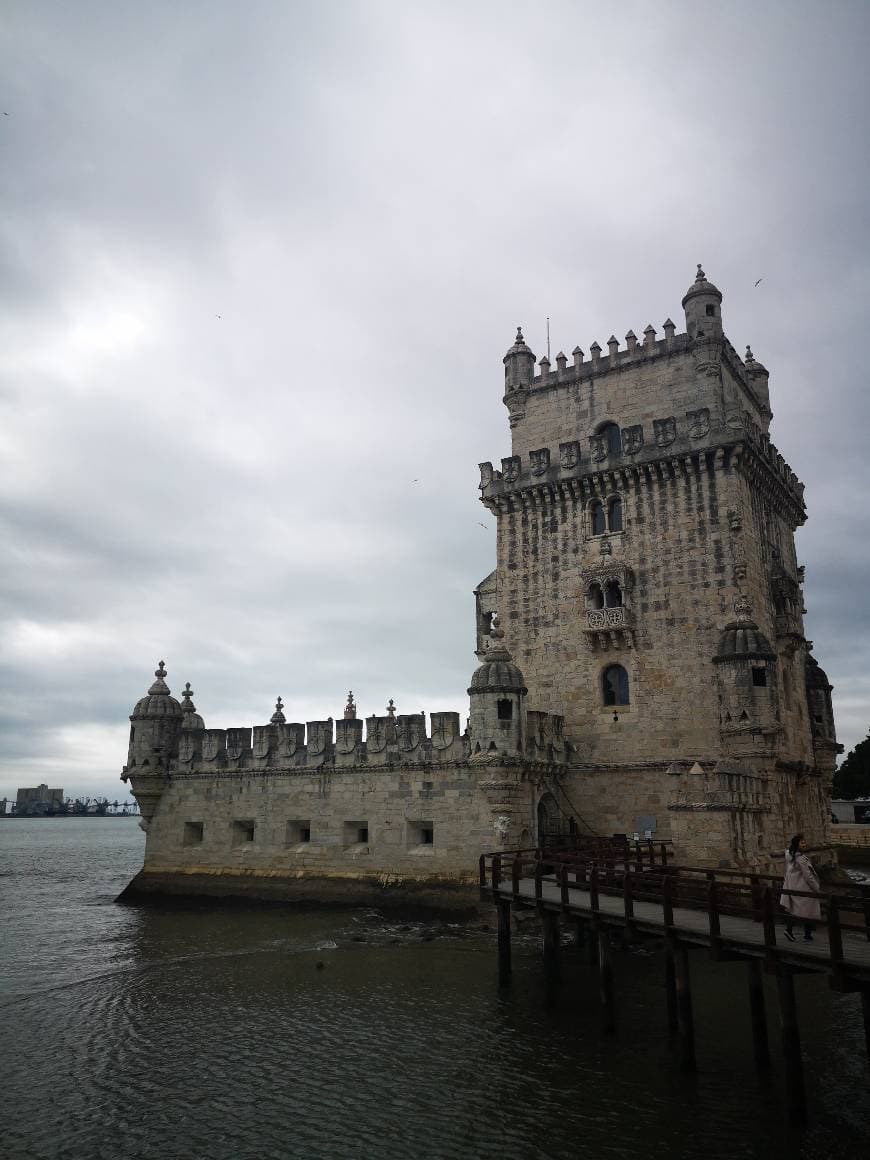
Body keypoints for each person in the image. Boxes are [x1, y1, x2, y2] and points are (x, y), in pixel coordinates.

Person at [780, 833, 821, 942]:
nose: (805, 844)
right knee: (807, 911)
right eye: (802, 842)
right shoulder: (800, 859)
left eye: (804, 842)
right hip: (804, 888)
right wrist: (816, 888)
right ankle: (806, 935)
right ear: (797, 844)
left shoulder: (790, 856)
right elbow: (808, 876)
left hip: (793, 887)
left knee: (796, 910)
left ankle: (791, 931)